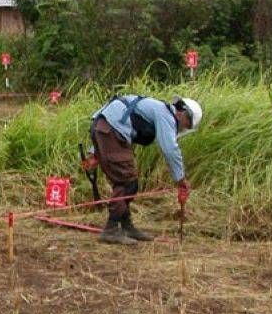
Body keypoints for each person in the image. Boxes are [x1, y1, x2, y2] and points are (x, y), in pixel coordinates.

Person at [83, 95, 202, 245]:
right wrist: (180, 179)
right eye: (187, 125)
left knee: (127, 182)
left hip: (105, 129)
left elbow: (114, 118)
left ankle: (127, 226)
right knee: (127, 182)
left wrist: (95, 152)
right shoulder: (166, 115)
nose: (184, 128)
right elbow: (170, 149)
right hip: (110, 131)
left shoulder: (158, 109)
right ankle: (111, 229)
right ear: (184, 114)